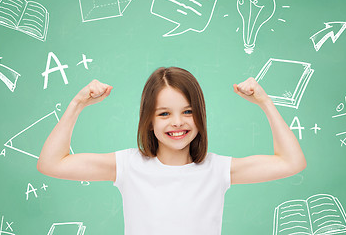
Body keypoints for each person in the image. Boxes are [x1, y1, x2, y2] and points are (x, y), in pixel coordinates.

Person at [37, 67, 306, 235]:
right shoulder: (128, 166)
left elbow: (291, 162)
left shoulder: (217, 169)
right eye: (164, 113)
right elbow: (51, 163)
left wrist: (265, 103)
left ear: (200, 116)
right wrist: (77, 103)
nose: (177, 122)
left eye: (187, 112)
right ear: (149, 121)